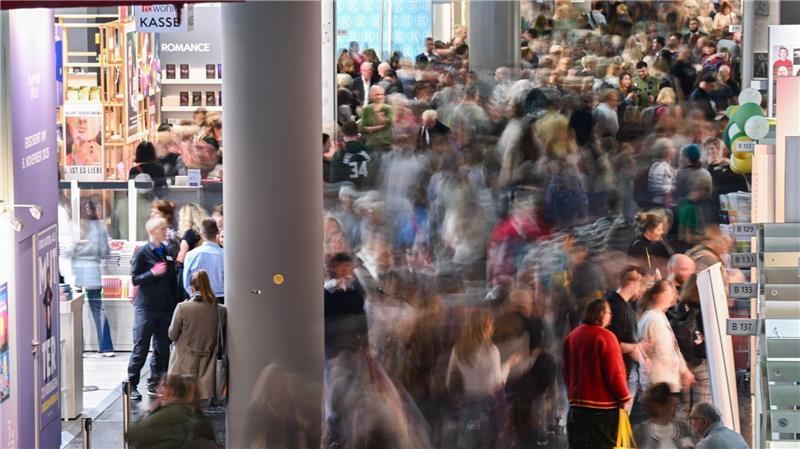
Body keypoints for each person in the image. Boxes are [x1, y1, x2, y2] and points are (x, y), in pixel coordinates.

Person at [563, 298, 631, 449]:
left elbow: (566, 370)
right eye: (609, 313)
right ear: (601, 313)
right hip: (602, 408)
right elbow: (615, 372)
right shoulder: (605, 336)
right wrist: (625, 397)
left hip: (576, 408)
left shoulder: (572, 336)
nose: (610, 316)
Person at [446, 310, 520, 449]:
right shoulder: (491, 351)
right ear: (482, 328)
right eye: (490, 324)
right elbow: (496, 382)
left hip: (467, 403)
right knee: (490, 442)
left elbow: (450, 380)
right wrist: (508, 365)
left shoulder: (458, 349)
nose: (493, 326)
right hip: (488, 405)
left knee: (469, 442)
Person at [128, 217, 179, 400]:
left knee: (162, 347)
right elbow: (135, 279)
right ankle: (131, 384)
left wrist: (176, 304)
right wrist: (152, 273)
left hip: (165, 307)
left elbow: (173, 278)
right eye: (163, 228)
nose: (166, 231)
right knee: (141, 346)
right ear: (153, 231)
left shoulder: (167, 250)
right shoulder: (141, 253)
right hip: (147, 307)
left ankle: (155, 382)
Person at [168, 270, 225, 404]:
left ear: (192, 288)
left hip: (182, 367)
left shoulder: (182, 307)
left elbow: (172, 335)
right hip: (208, 369)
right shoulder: (220, 310)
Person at [125, 374, 219, 449]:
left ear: (171, 391)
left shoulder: (170, 414)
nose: (158, 390)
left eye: (162, 387)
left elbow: (133, 434)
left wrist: (150, 411)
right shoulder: (195, 413)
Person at [71, 199, 114, 356]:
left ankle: (77, 347)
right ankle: (107, 347)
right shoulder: (100, 227)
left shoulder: (74, 226)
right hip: (93, 273)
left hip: (74, 274)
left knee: (76, 311)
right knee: (98, 310)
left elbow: (68, 249)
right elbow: (104, 251)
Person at [637, 280, 694, 394]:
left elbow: (673, 347)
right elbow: (664, 351)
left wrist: (684, 370)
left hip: (665, 381)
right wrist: (681, 370)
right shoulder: (653, 318)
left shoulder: (659, 316)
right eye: (670, 292)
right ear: (658, 296)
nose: (673, 295)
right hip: (660, 383)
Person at [606, 266, 649, 401]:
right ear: (633, 284)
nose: (642, 290)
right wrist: (639, 354)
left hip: (624, 370)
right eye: (641, 285)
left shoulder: (623, 305)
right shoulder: (618, 308)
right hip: (621, 371)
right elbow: (614, 343)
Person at [324, 252, 367, 359]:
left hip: (353, 346)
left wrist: (365, 343)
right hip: (332, 347)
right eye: (340, 266)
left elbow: (361, 314)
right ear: (333, 269)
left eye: (347, 266)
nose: (344, 270)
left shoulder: (355, 288)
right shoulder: (327, 291)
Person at [633, 383, 696, 449]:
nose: (674, 410)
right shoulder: (640, 432)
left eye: (675, 406)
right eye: (671, 406)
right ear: (659, 408)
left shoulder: (683, 429)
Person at [183, 218, 225, 304]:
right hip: (222, 299)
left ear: (201, 234)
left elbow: (187, 283)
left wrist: (193, 296)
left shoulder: (191, 255)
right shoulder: (226, 255)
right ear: (217, 232)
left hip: (199, 298)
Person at [330, 120, 374, 188]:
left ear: (343, 134)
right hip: (368, 193)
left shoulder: (339, 155)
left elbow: (334, 181)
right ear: (357, 133)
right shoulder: (370, 151)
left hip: (347, 195)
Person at [358, 85, 394, 152]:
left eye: (382, 94)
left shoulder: (388, 108)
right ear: (371, 96)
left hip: (386, 146)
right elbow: (363, 128)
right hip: (371, 146)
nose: (380, 97)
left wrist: (377, 112)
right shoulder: (366, 109)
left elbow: (389, 123)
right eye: (377, 94)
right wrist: (380, 127)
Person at [648, 138, 677, 208]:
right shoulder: (660, 167)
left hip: (667, 203)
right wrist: (672, 188)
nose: (675, 150)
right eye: (672, 148)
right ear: (666, 151)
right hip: (660, 205)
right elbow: (655, 187)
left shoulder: (667, 166)